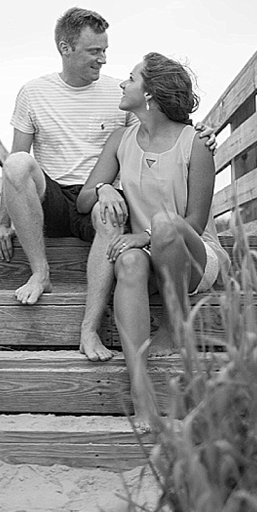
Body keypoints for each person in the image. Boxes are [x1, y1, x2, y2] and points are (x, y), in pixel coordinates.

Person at [72, 54, 220, 434]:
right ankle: (143, 401)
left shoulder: (196, 143)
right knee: (129, 264)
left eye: (132, 78)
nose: (123, 84)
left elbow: (196, 222)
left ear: (150, 92)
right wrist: (105, 188)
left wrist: (146, 235)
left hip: (193, 255)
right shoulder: (122, 139)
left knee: (166, 223)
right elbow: (83, 199)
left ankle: (173, 325)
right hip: (146, 255)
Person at [0, 8, 125, 307]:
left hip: (98, 198)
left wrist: (199, 135)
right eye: (94, 51)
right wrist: (3, 222)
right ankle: (40, 273)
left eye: (105, 50)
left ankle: (103, 309)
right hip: (50, 201)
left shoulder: (119, 93)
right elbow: (19, 157)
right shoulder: (33, 92)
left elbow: (153, 135)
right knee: (15, 162)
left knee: (108, 212)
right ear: (65, 48)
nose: (102, 59)